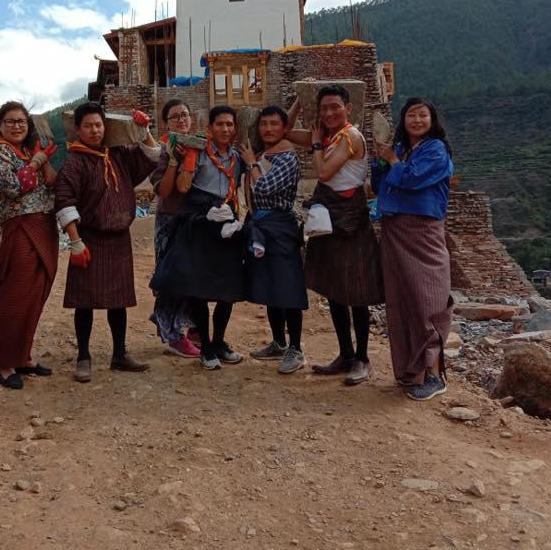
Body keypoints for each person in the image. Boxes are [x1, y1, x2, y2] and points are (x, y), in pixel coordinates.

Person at [54, 102, 161, 383]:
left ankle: (119, 354)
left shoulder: (118, 154)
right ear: (78, 129)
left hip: (119, 240)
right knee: (84, 302)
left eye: (99, 125)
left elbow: (150, 156)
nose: (94, 130)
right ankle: (84, 357)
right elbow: (65, 202)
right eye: (88, 125)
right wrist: (76, 243)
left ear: (105, 127)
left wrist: (144, 129)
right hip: (89, 239)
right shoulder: (74, 162)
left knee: (119, 301)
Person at [288, 86, 384, 385]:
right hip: (328, 216)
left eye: (335, 107)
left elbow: (325, 173)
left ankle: (363, 358)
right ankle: (345, 353)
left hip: (350, 217)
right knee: (334, 288)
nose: (329, 113)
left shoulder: (350, 137)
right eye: (324, 108)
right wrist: (299, 98)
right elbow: (286, 130)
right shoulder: (326, 134)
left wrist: (316, 145)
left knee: (356, 290)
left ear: (348, 108)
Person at [151, 105, 246, 370]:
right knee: (192, 285)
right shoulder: (193, 152)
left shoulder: (238, 158)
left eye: (230, 124)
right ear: (210, 127)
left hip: (225, 222)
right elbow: (179, 187)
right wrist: (177, 160)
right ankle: (189, 338)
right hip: (193, 223)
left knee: (227, 288)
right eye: (220, 124)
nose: (225, 129)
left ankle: (217, 341)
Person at [372, 97, 454, 401]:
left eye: (422, 115)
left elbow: (412, 179)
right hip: (395, 230)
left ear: (432, 120)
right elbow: (379, 186)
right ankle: (412, 371)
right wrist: (381, 160)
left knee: (427, 299)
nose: (417, 120)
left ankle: (434, 374)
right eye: (411, 115)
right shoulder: (404, 150)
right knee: (401, 300)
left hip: (423, 231)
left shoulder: (435, 150)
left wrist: (392, 161)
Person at [0, 101, 59, 390]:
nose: (16, 126)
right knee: (13, 294)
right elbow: (14, 187)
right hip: (20, 226)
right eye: (10, 121)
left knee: (36, 293)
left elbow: (51, 183)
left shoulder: (27, 151)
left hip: (44, 226)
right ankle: (3, 362)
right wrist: (36, 162)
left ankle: (22, 356)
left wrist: (43, 159)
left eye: (21, 121)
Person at [240, 106, 310, 374]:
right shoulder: (263, 153)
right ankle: (279, 342)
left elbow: (266, 186)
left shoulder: (287, 157)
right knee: (270, 285)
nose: (268, 129)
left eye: (274, 124)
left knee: (287, 288)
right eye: (264, 124)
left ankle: (296, 348)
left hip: (280, 226)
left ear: (284, 128)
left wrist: (251, 164)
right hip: (261, 226)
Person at [148, 99, 200, 358]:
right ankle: (174, 335)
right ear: (166, 123)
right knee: (172, 278)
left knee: (193, 279)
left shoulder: (200, 147)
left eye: (185, 114)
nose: (182, 120)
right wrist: (173, 162)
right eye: (175, 116)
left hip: (194, 221)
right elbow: (165, 191)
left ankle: (187, 328)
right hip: (171, 222)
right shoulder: (163, 151)